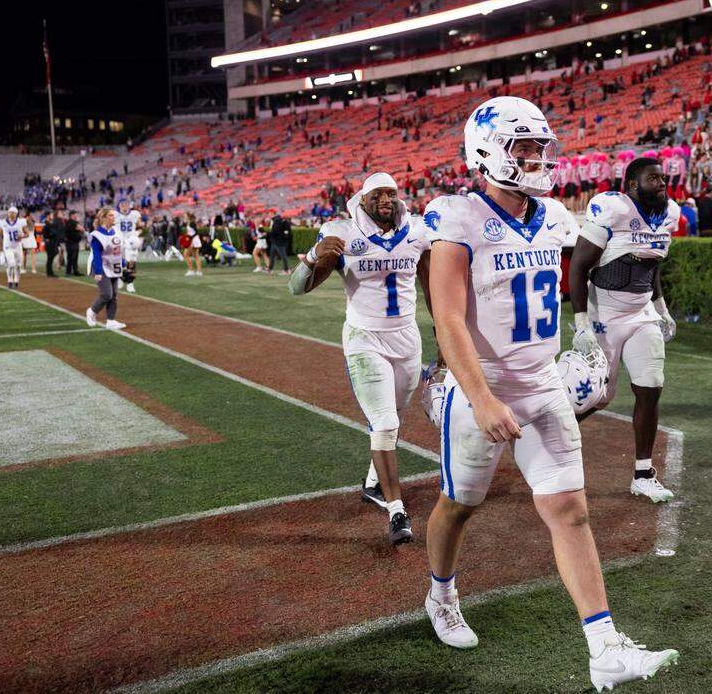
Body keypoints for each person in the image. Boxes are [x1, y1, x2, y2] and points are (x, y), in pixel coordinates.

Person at [421, 96, 678, 690]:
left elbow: (586, 270)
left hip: (544, 383)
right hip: (485, 385)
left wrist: (590, 333)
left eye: (541, 145)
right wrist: (479, 395)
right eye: (524, 146)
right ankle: (441, 595)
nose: (538, 157)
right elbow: (449, 318)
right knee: (460, 506)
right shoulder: (456, 216)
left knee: (570, 510)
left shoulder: (555, 215)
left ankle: (604, 647)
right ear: (487, 152)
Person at [289, 173, 433, 546]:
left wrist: (443, 337)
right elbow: (296, 287)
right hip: (364, 337)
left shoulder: (418, 230)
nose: (387, 199)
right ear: (363, 199)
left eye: (392, 193)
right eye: (378, 194)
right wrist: (313, 259)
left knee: (396, 416)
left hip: (406, 337)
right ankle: (396, 510)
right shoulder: (342, 231)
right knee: (384, 423)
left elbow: (433, 288)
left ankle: (372, 482)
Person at [569, 157, 680, 504]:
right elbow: (578, 267)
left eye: (663, 177)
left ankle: (643, 474)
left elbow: (652, 264)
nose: (661, 183)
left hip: (641, 313)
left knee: (650, 387)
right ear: (632, 184)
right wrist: (582, 323)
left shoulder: (668, 215)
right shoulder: (611, 208)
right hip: (605, 312)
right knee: (595, 397)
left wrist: (662, 310)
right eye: (652, 178)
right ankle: (542, 436)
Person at [85, 207, 127, 331]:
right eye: (110, 215)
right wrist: (98, 272)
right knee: (106, 294)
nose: (113, 217)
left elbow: (119, 250)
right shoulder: (96, 235)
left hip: (114, 266)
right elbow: (97, 255)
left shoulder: (117, 231)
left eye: (113, 215)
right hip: (100, 266)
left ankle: (111, 320)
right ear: (103, 218)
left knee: (114, 295)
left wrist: (123, 263)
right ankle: (92, 311)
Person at [0, 206, 29, 289]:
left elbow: (27, 234)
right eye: (10, 212)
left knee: (18, 265)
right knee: (11, 264)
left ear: (16, 214)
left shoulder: (21, 222)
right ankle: (10, 280)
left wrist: (22, 236)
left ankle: (16, 280)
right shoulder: (3, 222)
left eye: (13, 212)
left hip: (17, 246)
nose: (11, 214)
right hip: (8, 246)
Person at [114, 197, 143, 292]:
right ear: (118, 205)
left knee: (131, 261)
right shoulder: (114, 215)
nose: (124, 206)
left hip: (131, 240)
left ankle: (130, 283)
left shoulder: (135, 214)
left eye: (126, 204)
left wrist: (137, 233)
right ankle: (120, 278)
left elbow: (141, 227)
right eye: (122, 204)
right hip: (119, 240)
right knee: (119, 262)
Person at [43, 209, 64, 277]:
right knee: (50, 259)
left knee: (50, 258)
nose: (52, 216)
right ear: (48, 216)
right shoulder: (47, 224)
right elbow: (48, 234)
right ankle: (49, 273)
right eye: (51, 215)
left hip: (52, 243)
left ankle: (50, 272)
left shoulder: (49, 224)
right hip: (50, 243)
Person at [64, 210, 84, 276]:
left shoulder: (68, 223)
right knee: (73, 257)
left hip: (70, 242)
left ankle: (69, 271)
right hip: (73, 242)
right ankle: (74, 271)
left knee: (71, 257)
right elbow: (81, 229)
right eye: (75, 215)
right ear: (72, 215)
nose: (76, 216)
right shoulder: (73, 223)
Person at [21, 209, 39, 274]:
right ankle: (25, 268)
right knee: (25, 255)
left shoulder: (28, 221)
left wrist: (27, 220)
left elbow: (31, 227)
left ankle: (32, 269)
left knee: (31, 255)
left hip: (30, 237)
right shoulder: (25, 220)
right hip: (27, 238)